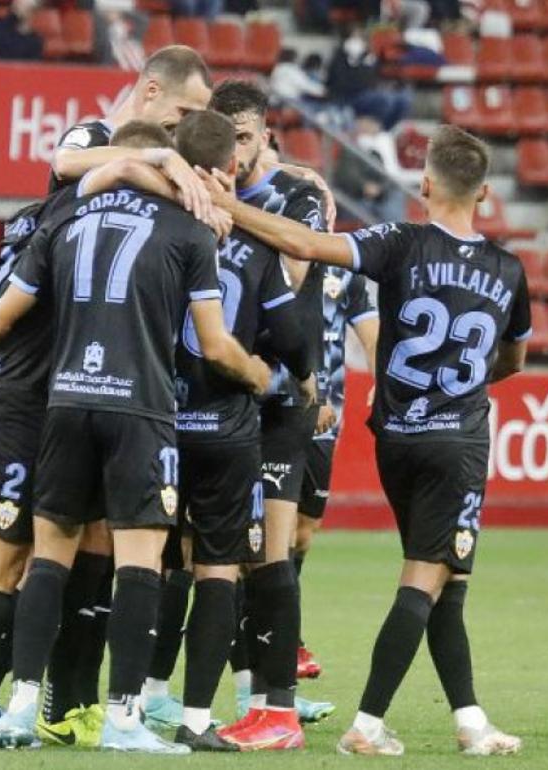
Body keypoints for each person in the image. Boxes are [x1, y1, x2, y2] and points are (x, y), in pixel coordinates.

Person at [206, 123, 528, 757]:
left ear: (426, 183)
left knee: (446, 581)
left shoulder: (397, 241)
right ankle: (369, 725)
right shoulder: (507, 268)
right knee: (424, 577)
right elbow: (512, 358)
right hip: (458, 441)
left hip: (397, 438)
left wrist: (226, 204)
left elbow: (302, 241)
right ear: (485, 193)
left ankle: (470, 720)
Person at [0, 109, 270, 753]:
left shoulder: (64, 222)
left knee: (48, 556)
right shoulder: (190, 232)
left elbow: (3, 317)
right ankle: (125, 718)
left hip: (67, 404)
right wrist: (258, 374)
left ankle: (20, 707)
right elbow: (213, 342)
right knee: (139, 565)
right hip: (141, 410)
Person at [0, 119, 186, 747]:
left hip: (39, 400)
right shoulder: (73, 215)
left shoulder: (38, 215)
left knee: (66, 551)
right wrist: (156, 159)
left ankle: (54, 704)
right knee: (7, 556)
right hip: (18, 403)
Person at [28, 44, 215, 749]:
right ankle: (47, 694)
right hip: (62, 367)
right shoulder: (93, 138)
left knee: (101, 550)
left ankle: (75, 704)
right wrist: (148, 162)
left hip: (106, 373)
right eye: (185, 111)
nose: (187, 128)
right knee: (51, 550)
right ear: (151, 92)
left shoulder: (165, 166)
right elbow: (65, 164)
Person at [202, 80, 334, 751]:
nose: (237, 152)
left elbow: (293, 270)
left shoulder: (300, 193)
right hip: (213, 394)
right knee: (217, 555)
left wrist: (224, 208)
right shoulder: (200, 190)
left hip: (281, 395)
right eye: (226, 140)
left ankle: (278, 709)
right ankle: (242, 701)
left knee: (272, 551)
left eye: (247, 138)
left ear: (265, 135)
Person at [292, 263, 378, 679]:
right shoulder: (268, 257)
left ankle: (280, 637)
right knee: (262, 536)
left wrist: (384, 381)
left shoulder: (345, 275)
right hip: (270, 412)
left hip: (327, 423)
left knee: (304, 532)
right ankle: (278, 643)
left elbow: (371, 331)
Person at [326, 28, 411, 131]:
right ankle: (373, 130)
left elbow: (375, 78)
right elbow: (339, 83)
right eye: (354, 37)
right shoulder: (340, 56)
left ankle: (385, 131)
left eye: (359, 38)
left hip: (366, 93)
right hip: (347, 97)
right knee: (385, 99)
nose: (356, 41)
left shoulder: (369, 58)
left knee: (404, 98)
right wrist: (356, 63)